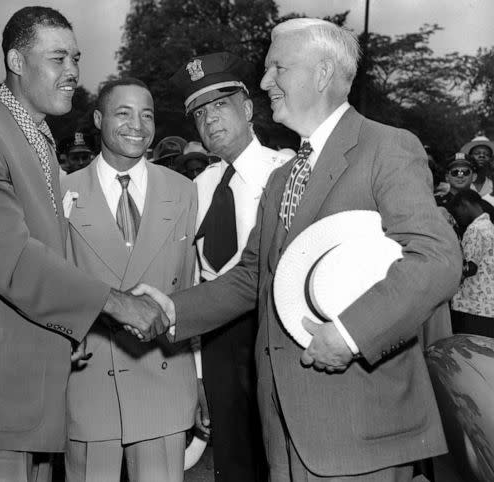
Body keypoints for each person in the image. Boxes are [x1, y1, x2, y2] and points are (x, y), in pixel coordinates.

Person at [135, 18, 462, 481]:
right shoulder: (283, 178)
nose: (265, 82)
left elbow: (437, 259)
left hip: (358, 427)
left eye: (277, 69)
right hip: (284, 432)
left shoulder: (386, 148)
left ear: (323, 73)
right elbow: (253, 276)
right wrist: (169, 309)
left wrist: (350, 335)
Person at [0, 7, 168, 481]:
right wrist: (115, 304)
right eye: (57, 59)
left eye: (76, 58)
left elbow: (49, 252)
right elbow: (12, 259)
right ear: (16, 61)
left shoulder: (35, 135)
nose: (73, 71)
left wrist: (65, 333)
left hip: (33, 399)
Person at [62, 77, 198, 482]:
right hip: (89, 380)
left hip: (163, 377)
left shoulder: (184, 190)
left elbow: (191, 287)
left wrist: (201, 376)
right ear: (99, 119)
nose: (137, 124)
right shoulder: (62, 191)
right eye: (123, 113)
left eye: (147, 115)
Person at [170, 51, 289, 482]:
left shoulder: (288, 172)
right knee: (234, 465)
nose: (210, 120)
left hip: (275, 333)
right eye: (199, 113)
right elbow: (194, 280)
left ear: (248, 108)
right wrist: (200, 374)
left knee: (281, 460)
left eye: (220, 105)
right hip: (218, 343)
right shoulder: (198, 188)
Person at [448, 190, 494, 338]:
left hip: (471, 306)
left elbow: (470, 268)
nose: (458, 218)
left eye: (457, 212)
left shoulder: (475, 230)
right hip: (488, 307)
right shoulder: (490, 227)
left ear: (464, 205)